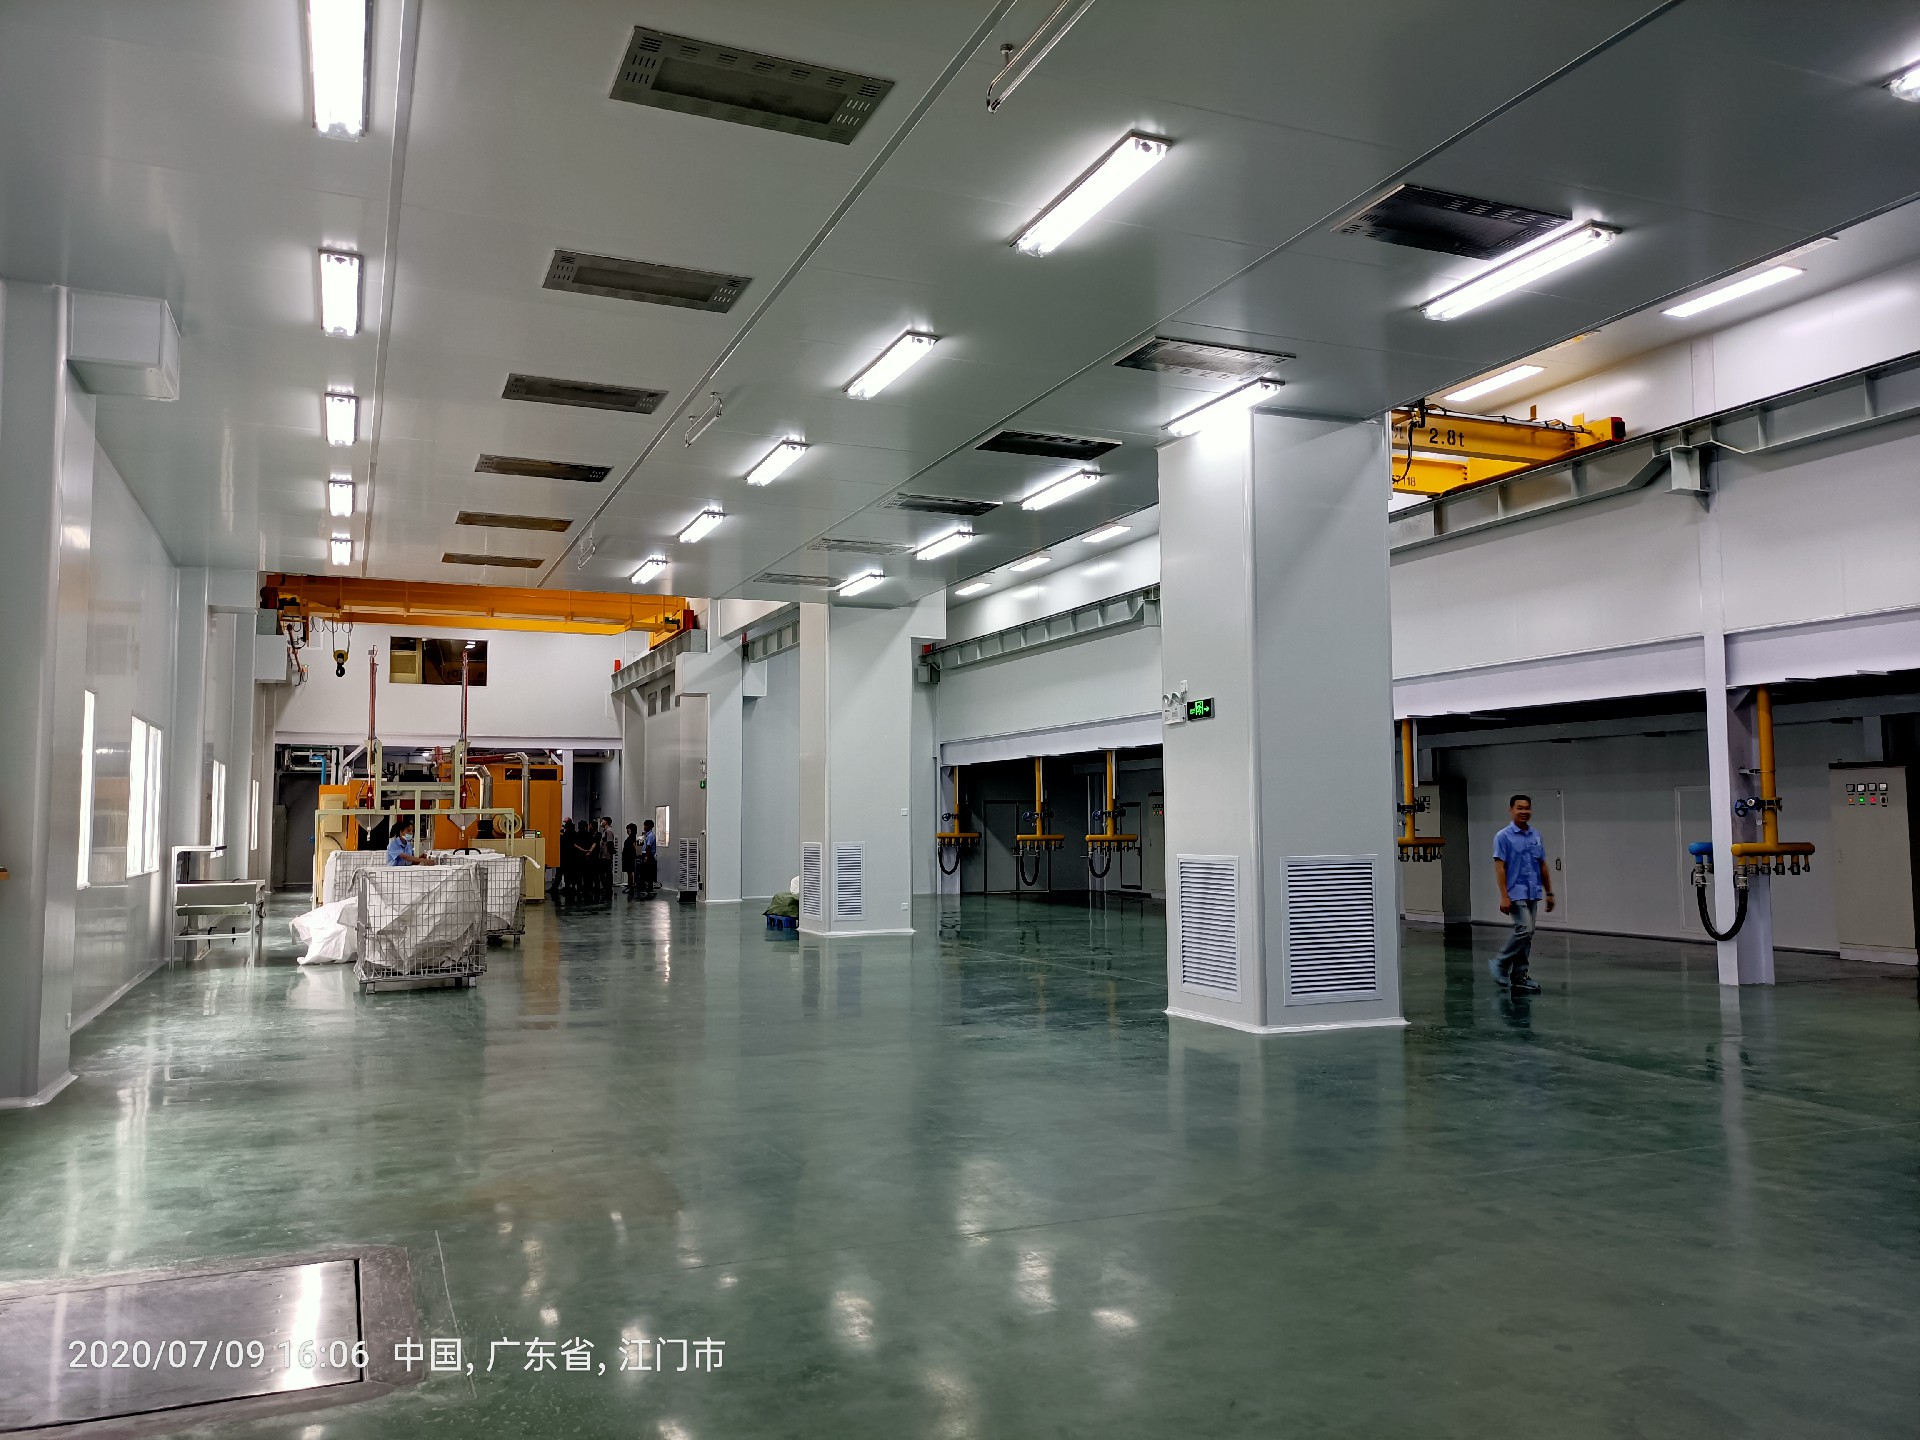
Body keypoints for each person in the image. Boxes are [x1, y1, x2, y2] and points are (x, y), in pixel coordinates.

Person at [1490, 793, 1553, 993]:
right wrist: (1503, 896)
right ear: (1511, 810)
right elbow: (1500, 867)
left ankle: (1520, 976)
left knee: (1527, 935)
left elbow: (1542, 865)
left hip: (1532, 891)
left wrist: (1549, 892)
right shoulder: (1503, 836)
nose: (1524, 811)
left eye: (1527, 808)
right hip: (1514, 891)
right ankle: (1501, 962)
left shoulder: (1535, 835)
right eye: (1520, 808)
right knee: (1525, 929)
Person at [638, 818, 659, 898]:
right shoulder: (647, 835)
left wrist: (646, 857)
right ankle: (646, 887)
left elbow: (648, 847)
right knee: (645, 872)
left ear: (649, 826)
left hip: (648, 855)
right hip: (646, 854)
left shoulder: (650, 836)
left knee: (648, 872)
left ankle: (648, 888)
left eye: (645, 826)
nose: (644, 827)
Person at [622, 822, 640, 897]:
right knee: (629, 872)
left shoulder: (632, 837)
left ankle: (630, 886)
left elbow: (634, 846)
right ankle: (629, 886)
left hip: (630, 857)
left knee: (630, 872)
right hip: (627, 856)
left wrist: (637, 854)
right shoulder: (630, 837)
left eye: (628, 829)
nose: (627, 830)